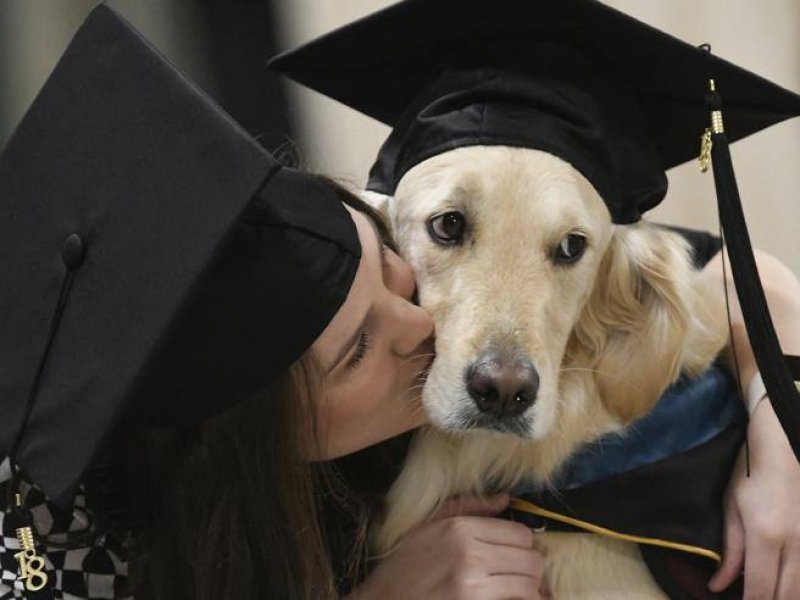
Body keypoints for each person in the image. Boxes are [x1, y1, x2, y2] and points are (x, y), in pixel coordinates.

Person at [0, 6, 798, 600]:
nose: (421, 326)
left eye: (390, 270)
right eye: (357, 351)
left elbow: (735, 274)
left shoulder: (404, 325)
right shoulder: (94, 558)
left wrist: (785, 426)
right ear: (263, 435)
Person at [271, 0, 800, 597]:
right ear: (385, 242)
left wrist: (784, 426)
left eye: (568, 248)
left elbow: (736, 278)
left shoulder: (670, 446)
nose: (505, 368)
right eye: (450, 228)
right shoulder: (306, 459)